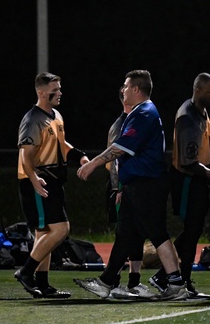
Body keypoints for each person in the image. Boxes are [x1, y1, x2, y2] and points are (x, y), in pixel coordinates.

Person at [74, 69, 188, 301]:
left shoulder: (143, 112)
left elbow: (122, 147)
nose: (123, 90)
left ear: (136, 89)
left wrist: (93, 163)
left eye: (126, 86)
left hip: (147, 183)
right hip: (138, 183)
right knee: (126, 233)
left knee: (156, 232)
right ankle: (106, 282)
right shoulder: (142, 112)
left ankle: (176, 283)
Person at [153, 72, 210, 301]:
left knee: (193, 231)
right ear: (197, 90)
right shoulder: (188, 116)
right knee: (191, 231)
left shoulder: (201, 112)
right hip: (187, 181)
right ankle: (177, 279)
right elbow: (188, 161)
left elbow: (204, 154)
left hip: (197, 179)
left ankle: (170, 277)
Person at [12, 72, 89, 299]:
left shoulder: (55, 115)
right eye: (55, 89)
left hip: (52, 179)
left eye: (60, 88)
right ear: (41, 92)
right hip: (38, 179)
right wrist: (34, 180)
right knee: (61, 229)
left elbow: (60, 142)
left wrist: (79, 156)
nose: (60, 93)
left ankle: (43, 284)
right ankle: (26, 272)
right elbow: (25, 155)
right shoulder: (32, 118)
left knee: (43, 233)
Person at [105, 89, 155, 300]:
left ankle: (134, 281)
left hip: (133, 186)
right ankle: (112, 282)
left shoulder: (135, 121)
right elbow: (114, 161)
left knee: (136, 234)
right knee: (124, 234)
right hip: (122, 187)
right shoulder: (122, 124)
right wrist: (118, 189)